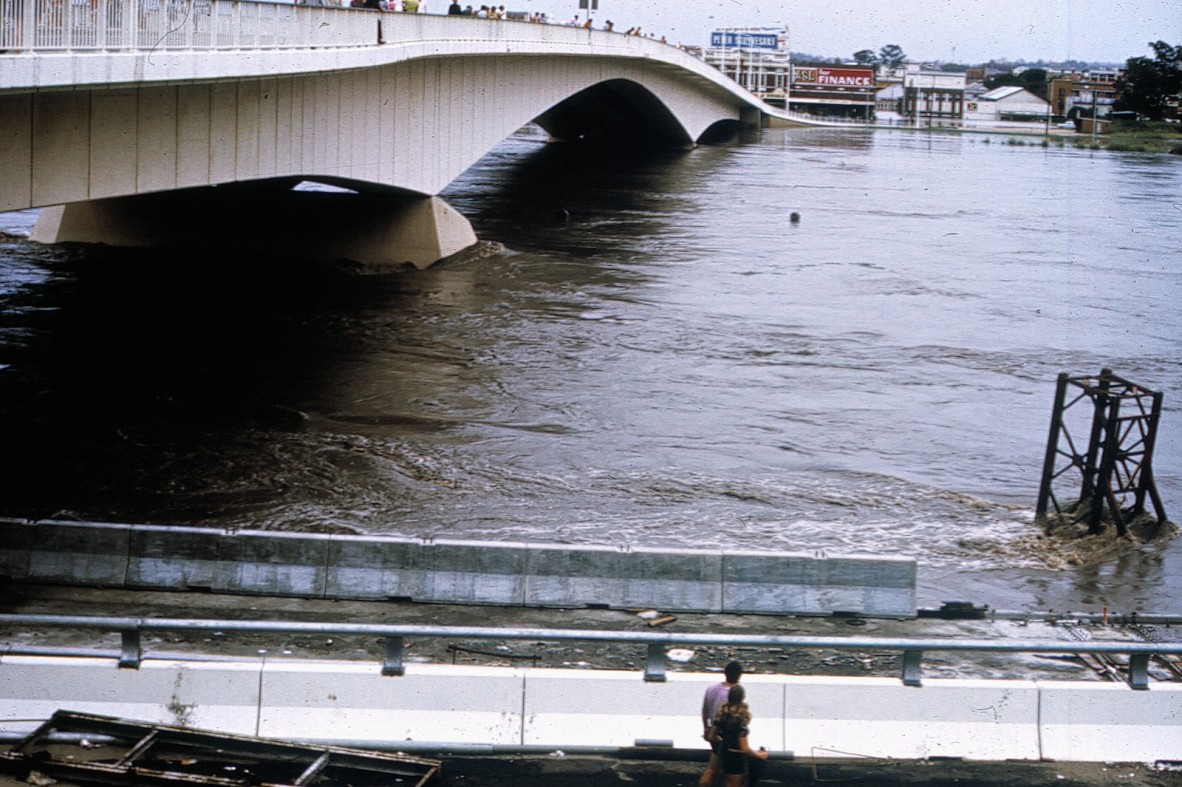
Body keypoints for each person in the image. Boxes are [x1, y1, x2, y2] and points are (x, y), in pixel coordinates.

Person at [713, 685, 769, 787]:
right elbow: (744, 748)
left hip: (725, 754)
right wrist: (759, 755)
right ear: (742, 698)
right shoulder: (740, 718)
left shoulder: (722, 713)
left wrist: (723, 743)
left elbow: (711, 736)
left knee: (728, 783)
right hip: (736, 756)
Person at [698, 661, 742, 787]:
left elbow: (705, 709)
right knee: (730, 774)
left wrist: (706, 728)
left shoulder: (711, 689)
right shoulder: (734, 693)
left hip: (712, 731)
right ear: (739, 675)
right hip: (726, 736)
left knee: (714, 766)